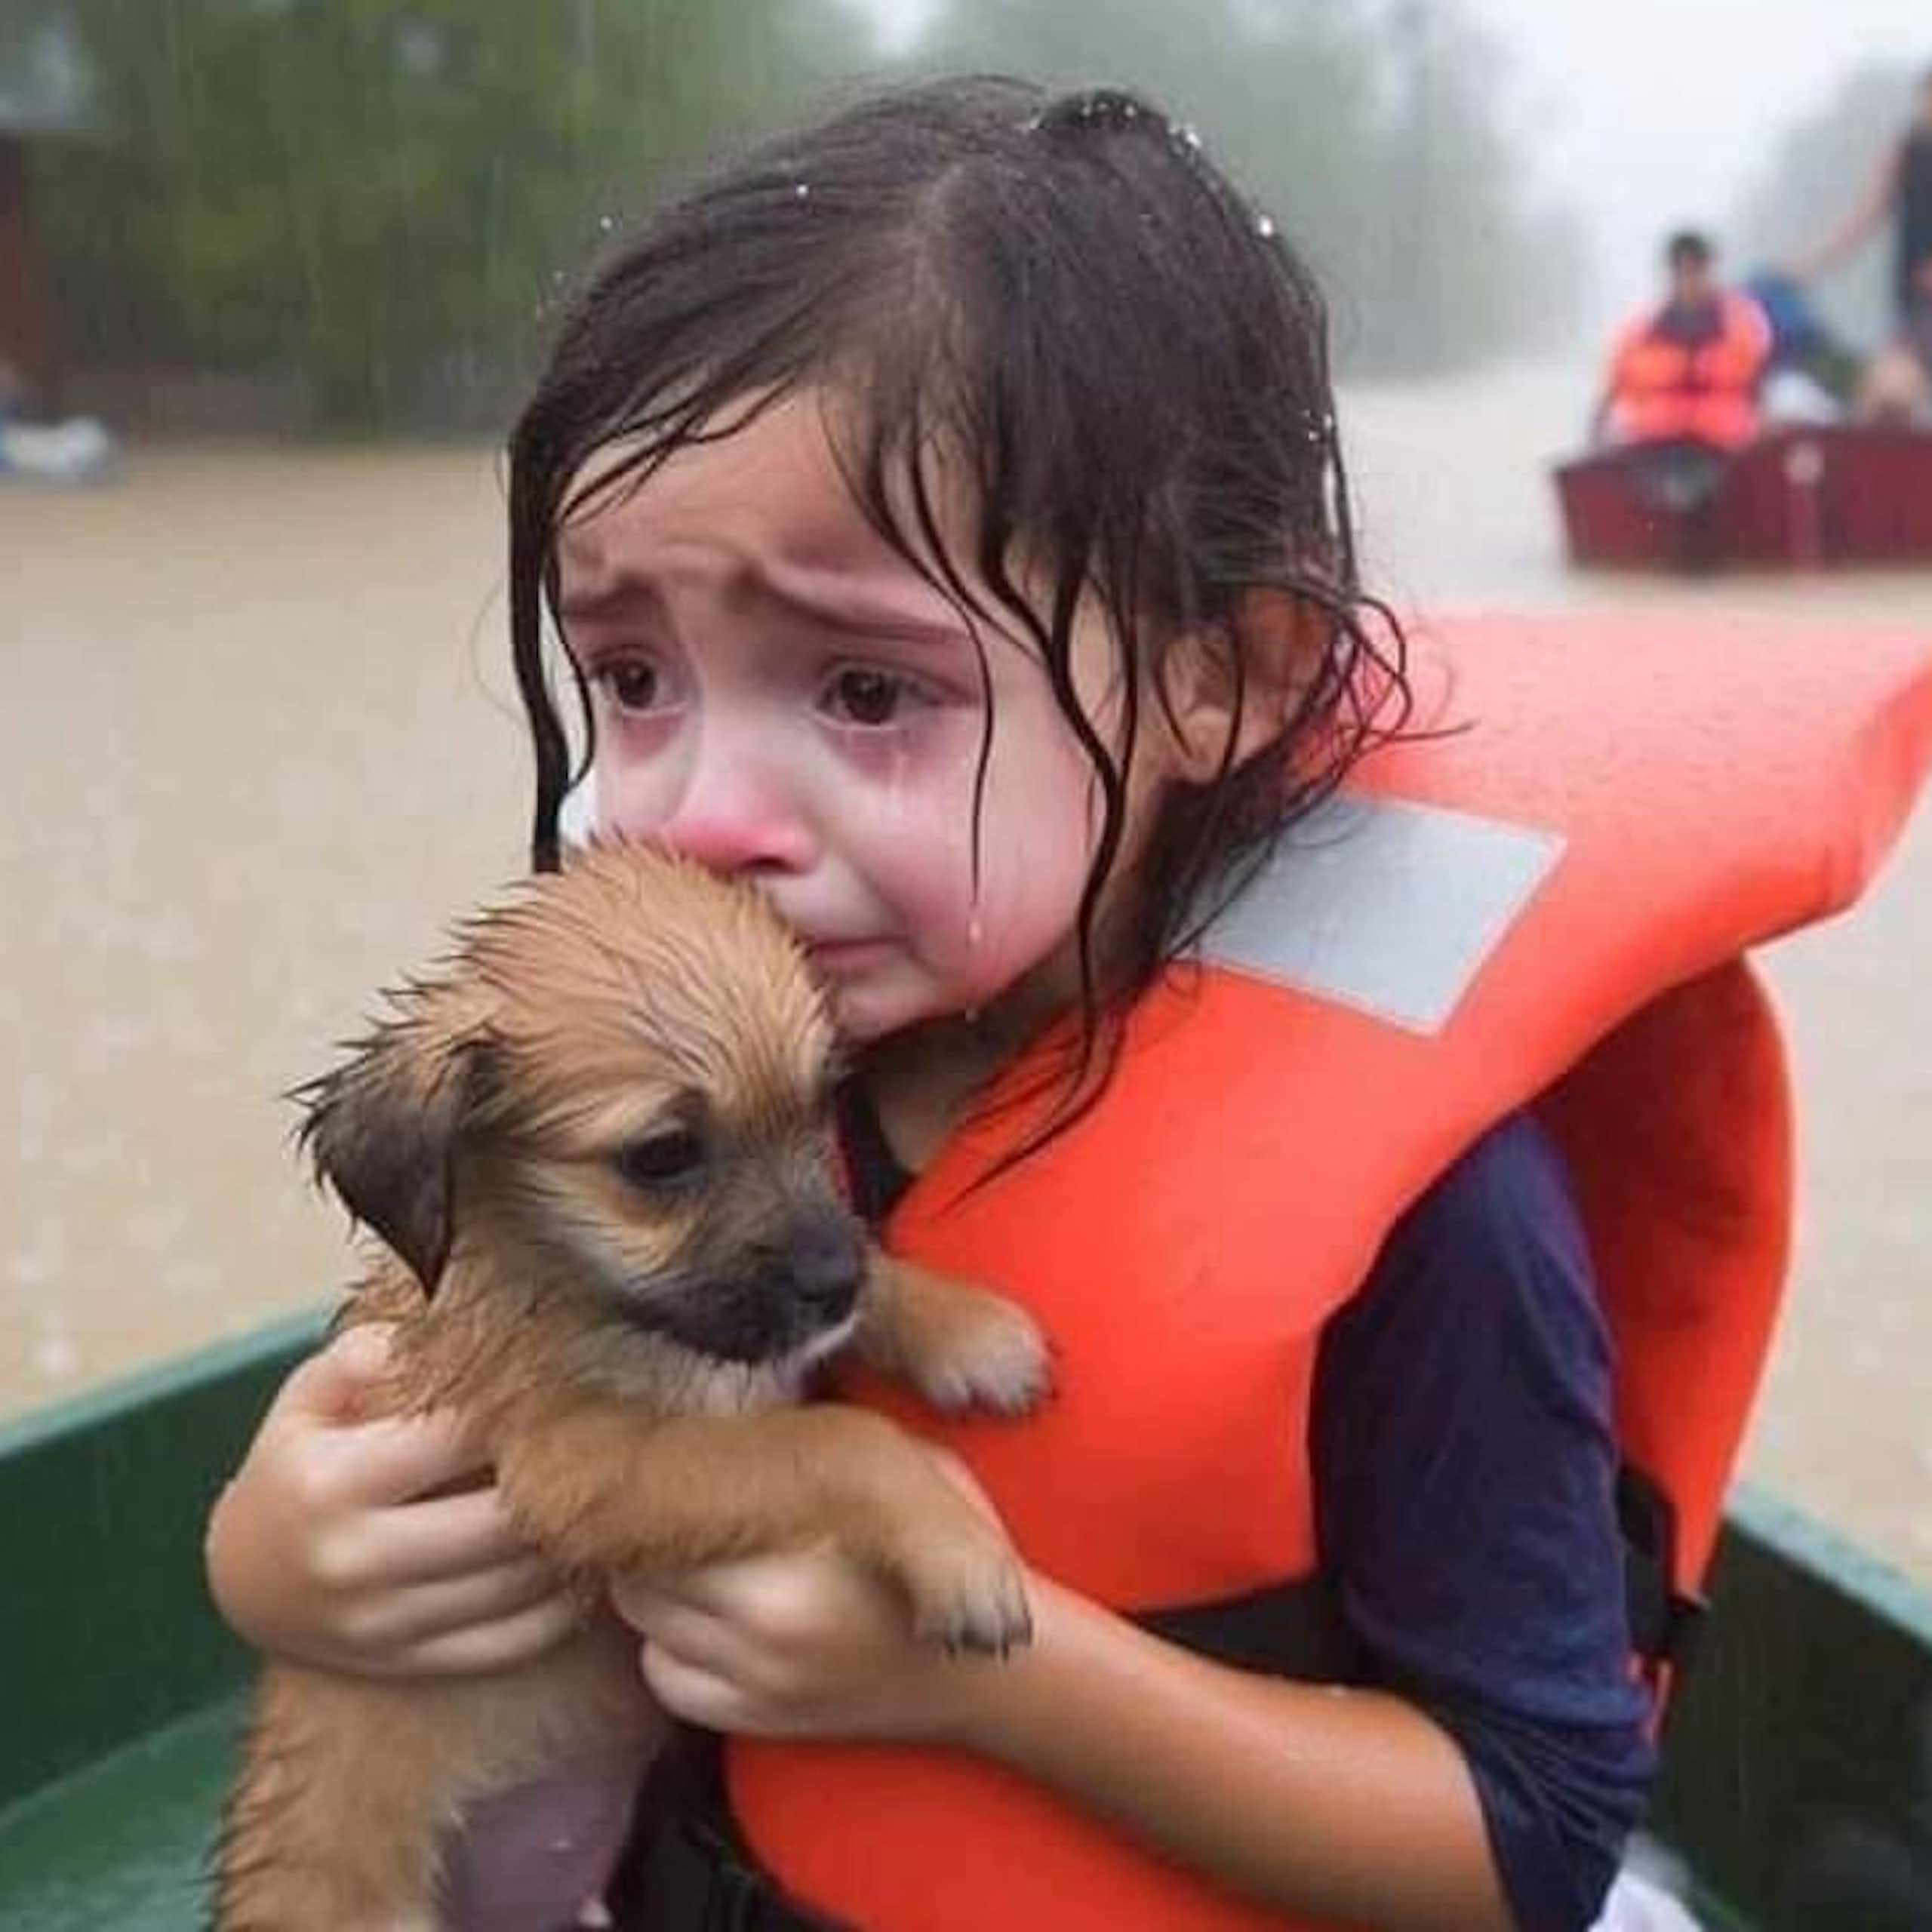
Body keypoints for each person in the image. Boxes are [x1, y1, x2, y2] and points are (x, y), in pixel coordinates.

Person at [203, 78, 1930, 1932]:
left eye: (863, 690)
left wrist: (982, 1674)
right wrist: (278, 1557)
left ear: (1217, 675)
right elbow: (470, 1397)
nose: (700, 807)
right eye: (628, 673)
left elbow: (1530, 1835)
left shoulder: (1440, 1221)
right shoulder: (696, 1034)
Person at [1790, 65, 1932, 423]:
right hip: (1912, 296)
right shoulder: (1906, 151)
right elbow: (1865, 217)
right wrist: (1811, 265)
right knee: (1882, 393)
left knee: (1897, 382)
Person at [1592, 229, 1772, 451]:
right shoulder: (1639, 331)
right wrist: (1596, 437)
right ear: (1671, 274)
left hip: (1726, 446)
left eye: (1696, 269)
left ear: (1708, 270)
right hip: (1650, 447)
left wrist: (1765, 434)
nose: (1688, 279)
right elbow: (1611, 390)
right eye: (1680, 269)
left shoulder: (1743, 324)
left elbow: (1762, 385)